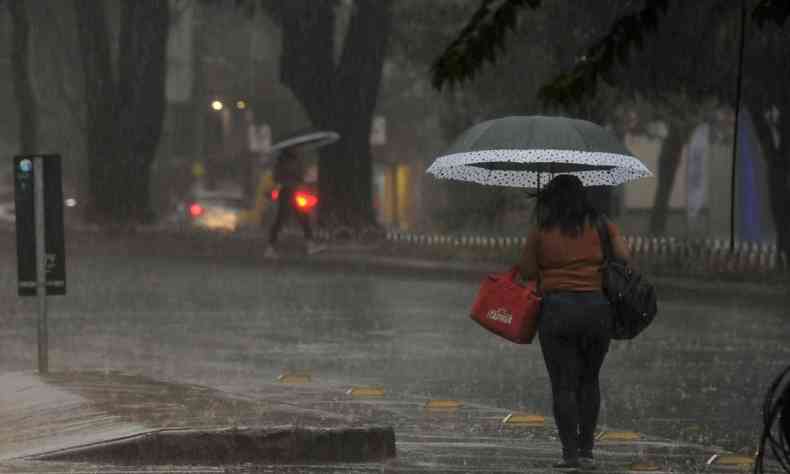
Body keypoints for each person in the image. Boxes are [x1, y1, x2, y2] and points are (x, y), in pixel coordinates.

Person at [518, 174, 630, 471]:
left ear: (551, 199)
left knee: (563, 385)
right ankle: (587, 451)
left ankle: (569, 454)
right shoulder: (603, 224)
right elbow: (623, 258)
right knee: (589, 380)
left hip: (557, 311)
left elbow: (527, 271)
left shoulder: (541, 228)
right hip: (597, 310)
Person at [264, 147, 326, 258]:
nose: (297, 150)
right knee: (284, 219)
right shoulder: (289, 162)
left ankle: (309, 244)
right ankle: (270, 248)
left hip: (290, 192)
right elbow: (294, 177)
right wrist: (298, 176)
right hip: (288, 192)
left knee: (300, 218)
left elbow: (280, 177)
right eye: (294, 149)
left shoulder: (284, 162)